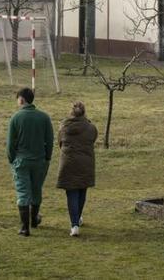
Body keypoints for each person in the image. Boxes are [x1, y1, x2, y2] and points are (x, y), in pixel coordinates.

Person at [7, 87, 53, 236]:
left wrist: (12, 159)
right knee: (36, 190)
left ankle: (24, 227)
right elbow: (49, 141)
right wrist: (47, 157)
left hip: (21, 161)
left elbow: (10, 144)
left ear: (21, 99)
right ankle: (34, 219)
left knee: (23, 192)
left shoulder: (16, 118)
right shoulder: (44, 117)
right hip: (39, 161)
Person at [56, 100, 97, 237]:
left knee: (72, 193)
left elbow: (60, 143)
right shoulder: (91, 128)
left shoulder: (63, 127)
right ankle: (77, 218)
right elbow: (93, 139)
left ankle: (74, 224)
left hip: (68, 162)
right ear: (84, 112)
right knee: (82, 190)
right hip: (86, 162)